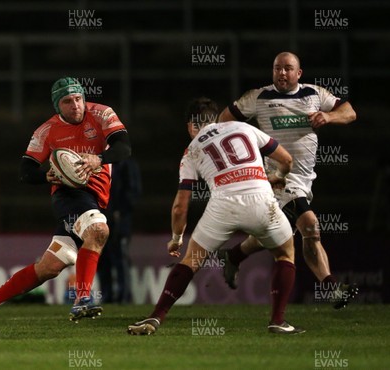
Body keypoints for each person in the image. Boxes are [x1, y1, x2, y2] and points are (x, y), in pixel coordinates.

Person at [127, 98, 304, 335]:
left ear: (192, 126)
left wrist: (177, 238)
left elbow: (181, 205)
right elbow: (287, 159)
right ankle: (277, 321)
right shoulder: (244, 127)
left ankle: (155, 317)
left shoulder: (191, 150)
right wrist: (276, 177)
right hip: (262, 201)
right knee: (285, 253)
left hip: (222, 207)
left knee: (191, 260)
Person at [0, 77, 131, 332]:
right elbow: (25, 171)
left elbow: (124, 149)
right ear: (58, 106)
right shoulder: (46, 131)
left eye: (78, 99)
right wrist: (45, 175)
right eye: (67, 101)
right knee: (99, 231)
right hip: (69, 196)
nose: (76, 105)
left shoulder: (101, 114)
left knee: (50, 267)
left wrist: (99, 158)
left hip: (95, 197)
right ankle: (82, 299)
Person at [217, 51, 358, 309]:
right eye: (277, 68)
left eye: (288, 68)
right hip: (278, 179)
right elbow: (223, 121)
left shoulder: (314, 95)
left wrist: (329, 116)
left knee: (275, 233)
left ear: (298, 73)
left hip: (304, 180)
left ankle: (234, 256)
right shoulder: (258, 97)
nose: (282, 73)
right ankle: (331, 289)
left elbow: (350, 112)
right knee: (310, 226)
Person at [97, 157, 142, 303]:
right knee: (102, 260)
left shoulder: (126, 164)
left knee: (120, 259)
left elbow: (134, 191)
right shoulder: (99, 163)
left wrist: (120, 212)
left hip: (120, 222)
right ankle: (107, 296)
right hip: (101, 220)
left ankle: (124, 296)